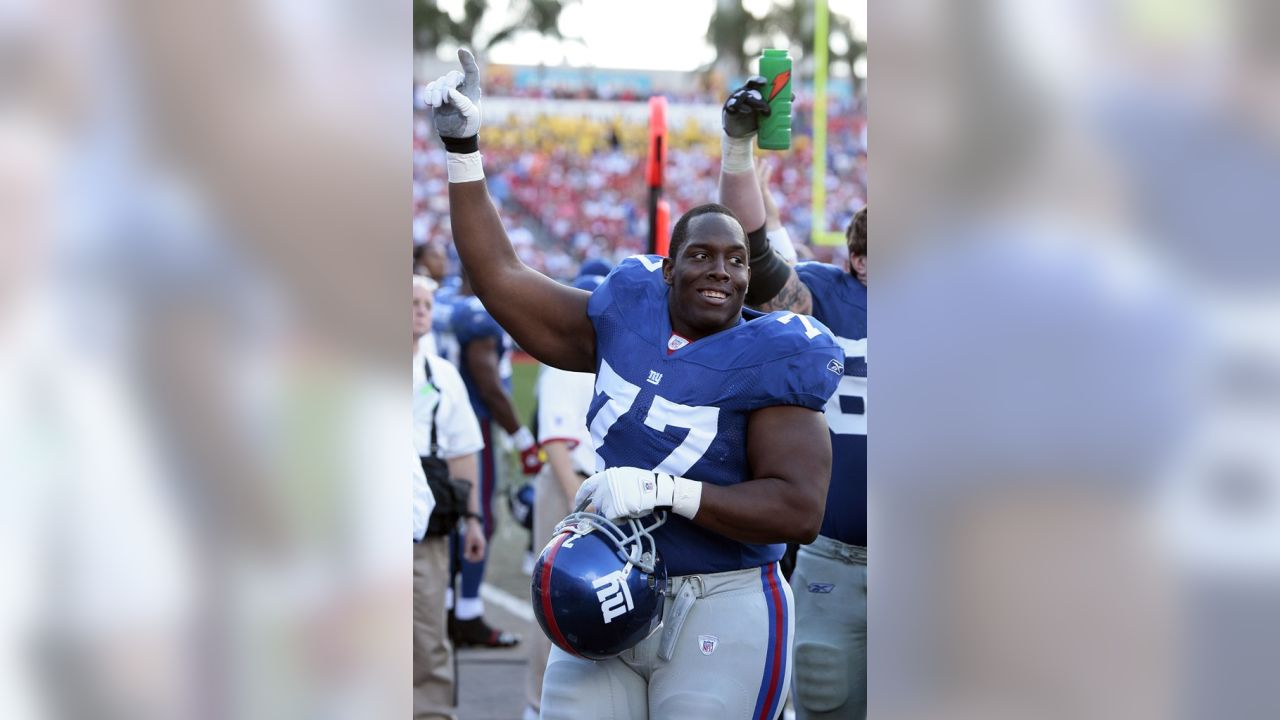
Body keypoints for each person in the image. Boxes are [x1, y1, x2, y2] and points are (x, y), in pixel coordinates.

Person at [426, 49, 843, 719]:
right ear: (667, 269)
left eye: (736, 260)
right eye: (701, 256)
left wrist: (664, 492)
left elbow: (798, 509)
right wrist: (462, 150)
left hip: (723, 597)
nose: (722, 271)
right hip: (611, 581)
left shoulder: (775, 354)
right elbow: (502, 276)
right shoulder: (626, 315)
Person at [718, 78, 869, 720]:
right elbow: (754, 245)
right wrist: (737, 150)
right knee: (824, 701)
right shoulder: (830, 299)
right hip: (840, 560)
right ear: (858, 260)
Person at [522, 272, 606, 720]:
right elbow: (555, 441)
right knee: (555, 595)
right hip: (570, 485)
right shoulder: (563, 359)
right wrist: (581, 511)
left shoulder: (606, 352)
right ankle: (537, 704)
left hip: (598, 488)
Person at [449, 270, 541, 648]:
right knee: (477, 518)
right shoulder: (476, 313)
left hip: (438, 427)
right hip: (471, 426)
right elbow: (488, 384)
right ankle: (467, 613)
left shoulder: (443, 305)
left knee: (449, 517)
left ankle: (449, 605)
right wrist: (522, 438)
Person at [412, 274, 487, 720]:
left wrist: (474, 518)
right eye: (412, 301)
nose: (422, 309)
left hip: (424, 522)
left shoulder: (441, 376)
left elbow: (463, 450)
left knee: (425, 633)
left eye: (426, 302)